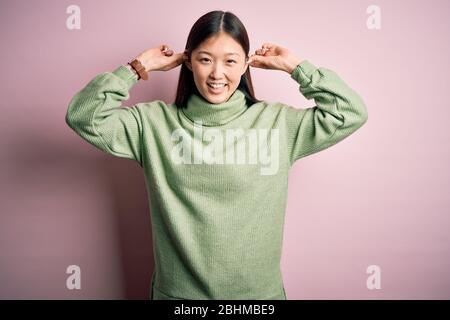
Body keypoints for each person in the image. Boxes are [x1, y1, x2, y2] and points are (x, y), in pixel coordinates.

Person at [65, 10, 368, 300]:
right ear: (188, 62)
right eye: (205, 59)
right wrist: (137, 67)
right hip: (180, 298)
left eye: (230, 61)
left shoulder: (277, 124)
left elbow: (350, 112)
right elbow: (84, 115)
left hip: (258, 299)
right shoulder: (153, 124)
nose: (217, 73)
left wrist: (297, 67)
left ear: (246, 64)